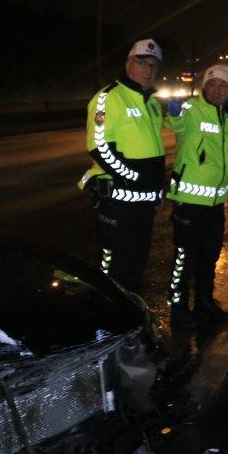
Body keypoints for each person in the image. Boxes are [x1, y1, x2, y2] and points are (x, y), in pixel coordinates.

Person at [163, 64, 228, 328]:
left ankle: (204, 302)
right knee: (185, 256)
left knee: (209, 256)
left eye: (224, 86)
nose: (217, 90)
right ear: (204, 86)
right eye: (213, 84)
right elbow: (177, 123)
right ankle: (178, 308)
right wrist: (173, 112)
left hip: (216, 202)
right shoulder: (192, 109)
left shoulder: (227, 116)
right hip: (190, 202)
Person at [78, 39, 167, 294]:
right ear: (129, 63)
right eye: (142, 63)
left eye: (153, 65)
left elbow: (153, 152)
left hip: (143, 205)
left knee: (135, 269)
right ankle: (102, 327)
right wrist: (134, 178)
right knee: (111, 274)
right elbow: (100, 147)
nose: (148, 70)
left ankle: (129, 326)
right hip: (117, 202)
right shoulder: (109, 98)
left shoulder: (150, 103)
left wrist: (155, 191)